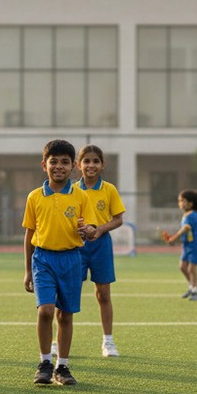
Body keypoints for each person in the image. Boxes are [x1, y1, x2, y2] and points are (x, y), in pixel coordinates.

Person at [24, 140, 100, 387]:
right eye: (53, 161)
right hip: (43, 259)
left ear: (73, 167)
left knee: (65, 315)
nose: (59, 166)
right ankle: (45, 361)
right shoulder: (35, 197)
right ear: (44, 165)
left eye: (65, 162)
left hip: (71, 260)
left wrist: (88, 230)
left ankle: (62, 366)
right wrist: (27, 270)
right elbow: (29, 235)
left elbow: (88, 228)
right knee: (45, 311)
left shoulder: (80, 196)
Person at [71, 144, 126, 358]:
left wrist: (100, 229)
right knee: (69, 293)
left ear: (102, 165)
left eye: (95, 161)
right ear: (78, 165)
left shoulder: (109, 189)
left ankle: (108, 341)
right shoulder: (72, 190)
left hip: (101, 245)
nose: (91, 165)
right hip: (76, 245)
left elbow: (119, 219)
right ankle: (59, 340)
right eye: (86, 161)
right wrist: (81, 230)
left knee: (103, 294)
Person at [160, 189, 197, 300]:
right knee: (182, 266)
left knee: (191, 268)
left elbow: (185, 229)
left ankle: (195, 291)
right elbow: (186, 234)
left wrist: (174, 238)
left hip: (195, 245)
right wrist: (175, 241)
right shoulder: (186, 215)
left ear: (190, 203)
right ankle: (192, 286)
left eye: (182, 201)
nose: (180, 203)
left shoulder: (192, 215)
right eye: (179, 201)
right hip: (187, 245)